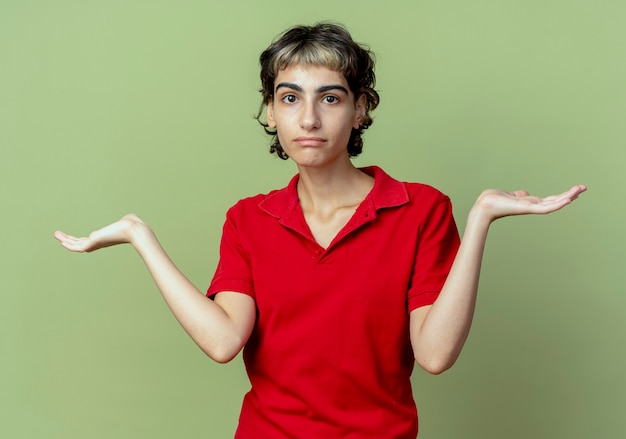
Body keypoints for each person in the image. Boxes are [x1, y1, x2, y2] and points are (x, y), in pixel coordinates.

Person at [54, 23, 586, 439]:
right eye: (290, 98)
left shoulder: (421, 209)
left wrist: (481, 218)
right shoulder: (249, 218)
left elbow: (435, 355)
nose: (308, 118)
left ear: (360, 110)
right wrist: (139, 235)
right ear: (270, 112)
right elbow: (222, 342)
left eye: (329, 97)